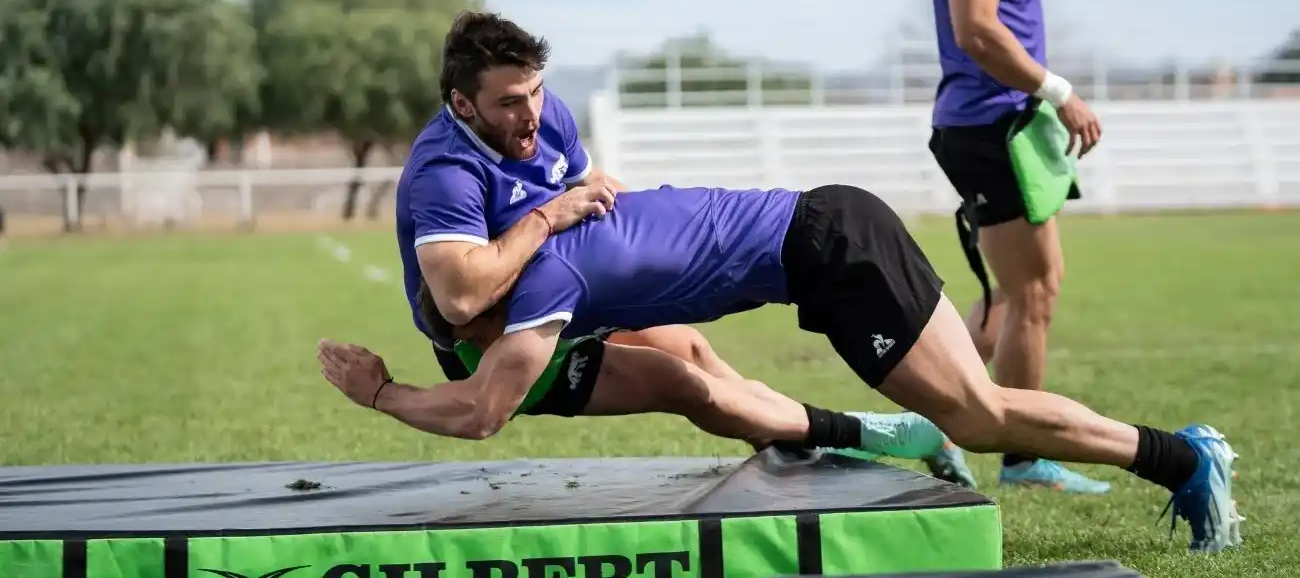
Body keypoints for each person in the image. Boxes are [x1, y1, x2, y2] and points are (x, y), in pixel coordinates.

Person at [324, 183, 1240, 553]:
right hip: (827, 243)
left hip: (836, 250)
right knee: (696, 375)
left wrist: (379, 391)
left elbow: (486, 410)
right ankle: (899, 434)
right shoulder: (527, 269)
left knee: (981, 413)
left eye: (473, 316)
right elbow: (682, 363)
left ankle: (1183, 456)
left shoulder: (546, 280)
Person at [395, 9, 753, 393]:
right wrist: (548, 216)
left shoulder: (547, 115)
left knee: (691, 351)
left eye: (535, 91)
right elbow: (460, 300)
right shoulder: (446, 170)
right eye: (509, 102)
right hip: (485, 339)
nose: (532, 113)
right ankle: (799, 436)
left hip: (562, 284)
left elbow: (591, 184)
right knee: (681, 381)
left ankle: (797, 442)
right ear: (464, 105)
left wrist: (665, 231)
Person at [318, 282, 952, 464]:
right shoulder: (485, 357)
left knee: (694, 351)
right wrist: (380, 392)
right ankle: (863, 433)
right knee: (684, 385)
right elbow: (473, 413)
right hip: (554, 364)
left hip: (569, 308)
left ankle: (773, 434)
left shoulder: (526, 269)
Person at [925, 0, 1108, 493]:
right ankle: (1022, 457)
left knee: (1023, 288)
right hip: (990, 123)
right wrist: (1059, 92)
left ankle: (933, 424)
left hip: (1003, 119)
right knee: (1032, 291)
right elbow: (976, 28)